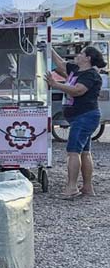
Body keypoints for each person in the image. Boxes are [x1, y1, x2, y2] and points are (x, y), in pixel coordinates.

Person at [46, 45, 107, 198]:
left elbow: (78, 90)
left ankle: (71, 187)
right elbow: (60, 64)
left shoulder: (91, 75)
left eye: (81, 53)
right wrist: (49, 48)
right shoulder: (76, 70)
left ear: (88, 58)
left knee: (73, 152)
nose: (77, 55)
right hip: (79, 117)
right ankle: (87, 187)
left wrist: (56, 84)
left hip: (85, 116)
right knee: (84, 152)